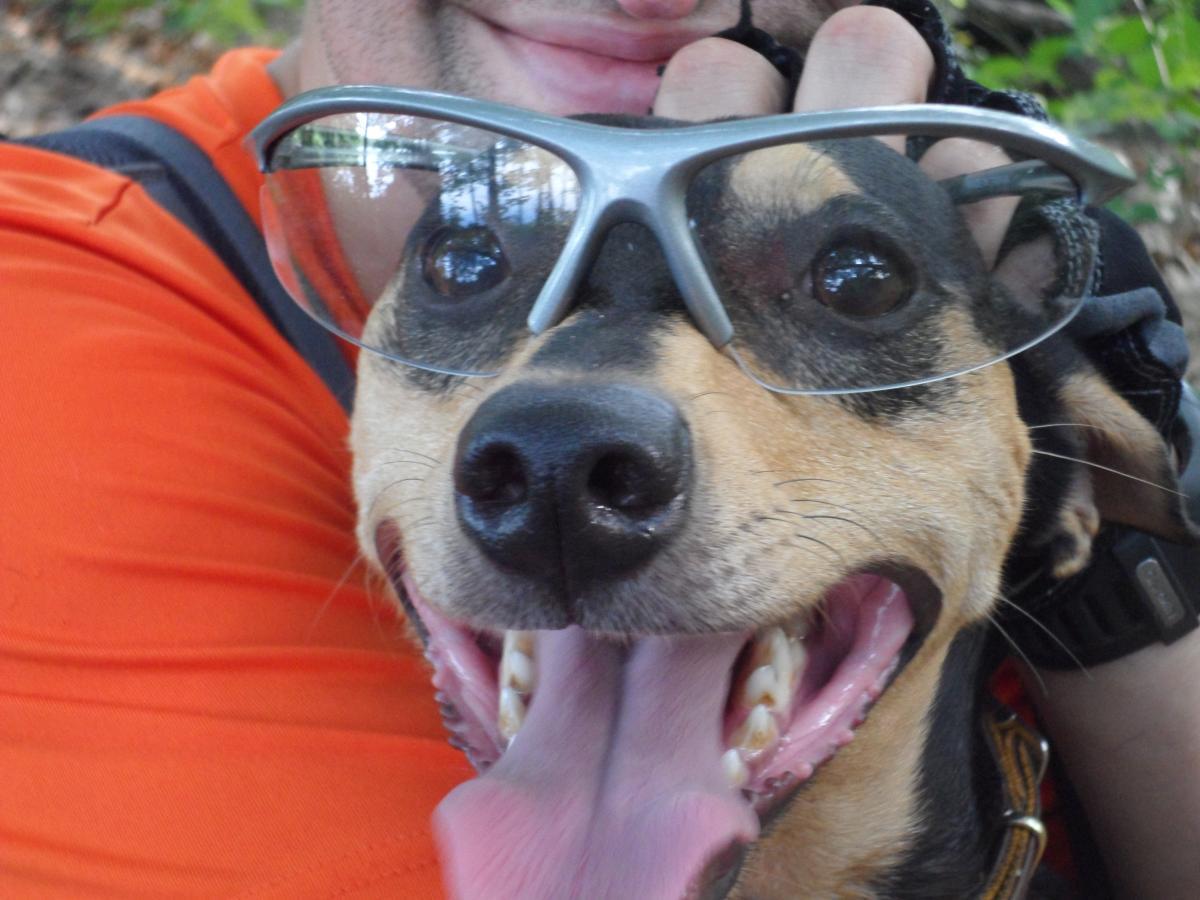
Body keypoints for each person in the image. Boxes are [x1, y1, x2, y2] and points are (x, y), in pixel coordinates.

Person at [1, 1, 1195, 897]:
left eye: (855, 281)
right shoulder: (43, 301)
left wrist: (1113, 573)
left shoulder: (1017, 405)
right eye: (468, 261)